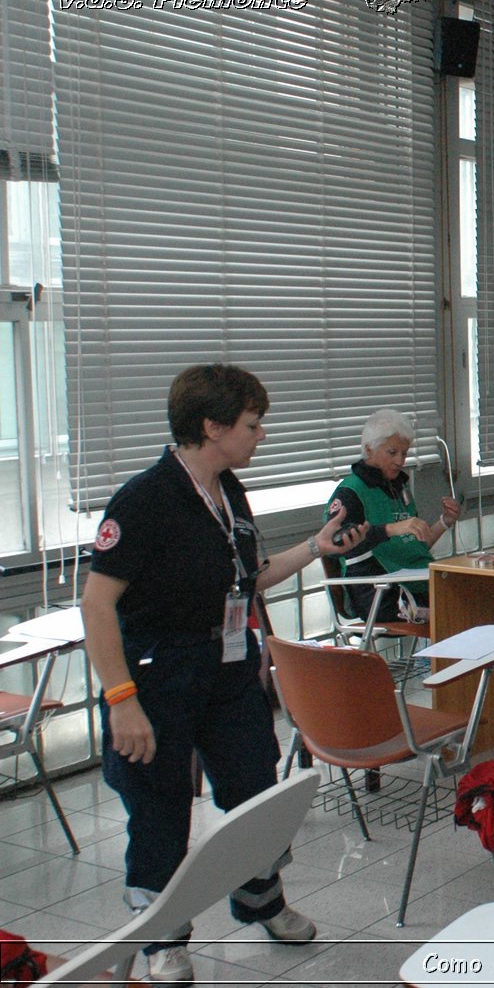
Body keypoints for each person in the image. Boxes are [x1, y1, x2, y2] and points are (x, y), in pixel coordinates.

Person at [81, 364, 367, 984]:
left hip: (229, 666)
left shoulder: (228, 490)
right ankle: (161, 934)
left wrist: (317, 548)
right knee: (158, 810)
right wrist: (121, 699)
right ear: (211, 426)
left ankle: (261, 897)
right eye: (252, 424)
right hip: (158, 676)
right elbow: (96, 604)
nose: (260, 434)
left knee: (254, 788)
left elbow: (249, 577)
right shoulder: (145, 500)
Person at [324, 408, 461, 621]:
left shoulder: (398, 488)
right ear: (369, 450)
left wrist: (445, 522)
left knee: (489, 599)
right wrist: (389, 529)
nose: (400, 461)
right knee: (470, 609)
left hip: (421, 583)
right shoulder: (350, 493)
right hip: (382, 595)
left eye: (404, 453)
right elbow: (334, 543)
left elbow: (415, 546)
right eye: (392, 452)